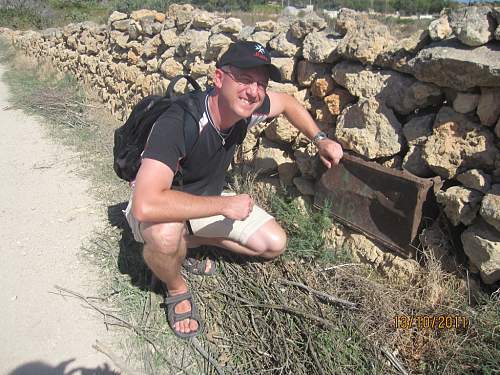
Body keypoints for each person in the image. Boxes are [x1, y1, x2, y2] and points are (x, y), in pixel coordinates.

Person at [124, 41, 343, 339]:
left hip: (204, 200)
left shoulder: (248, 110)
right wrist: (223, 206)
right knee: (164, 236)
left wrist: (320, 139)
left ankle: (185, 245)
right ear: (218, 79)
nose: (254, 91)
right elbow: (145, 204)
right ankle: (177, 289)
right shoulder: (180, 121)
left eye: (261, 84)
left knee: (273, 243)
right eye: (244, 79)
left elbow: (289, 103)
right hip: (160, 207)